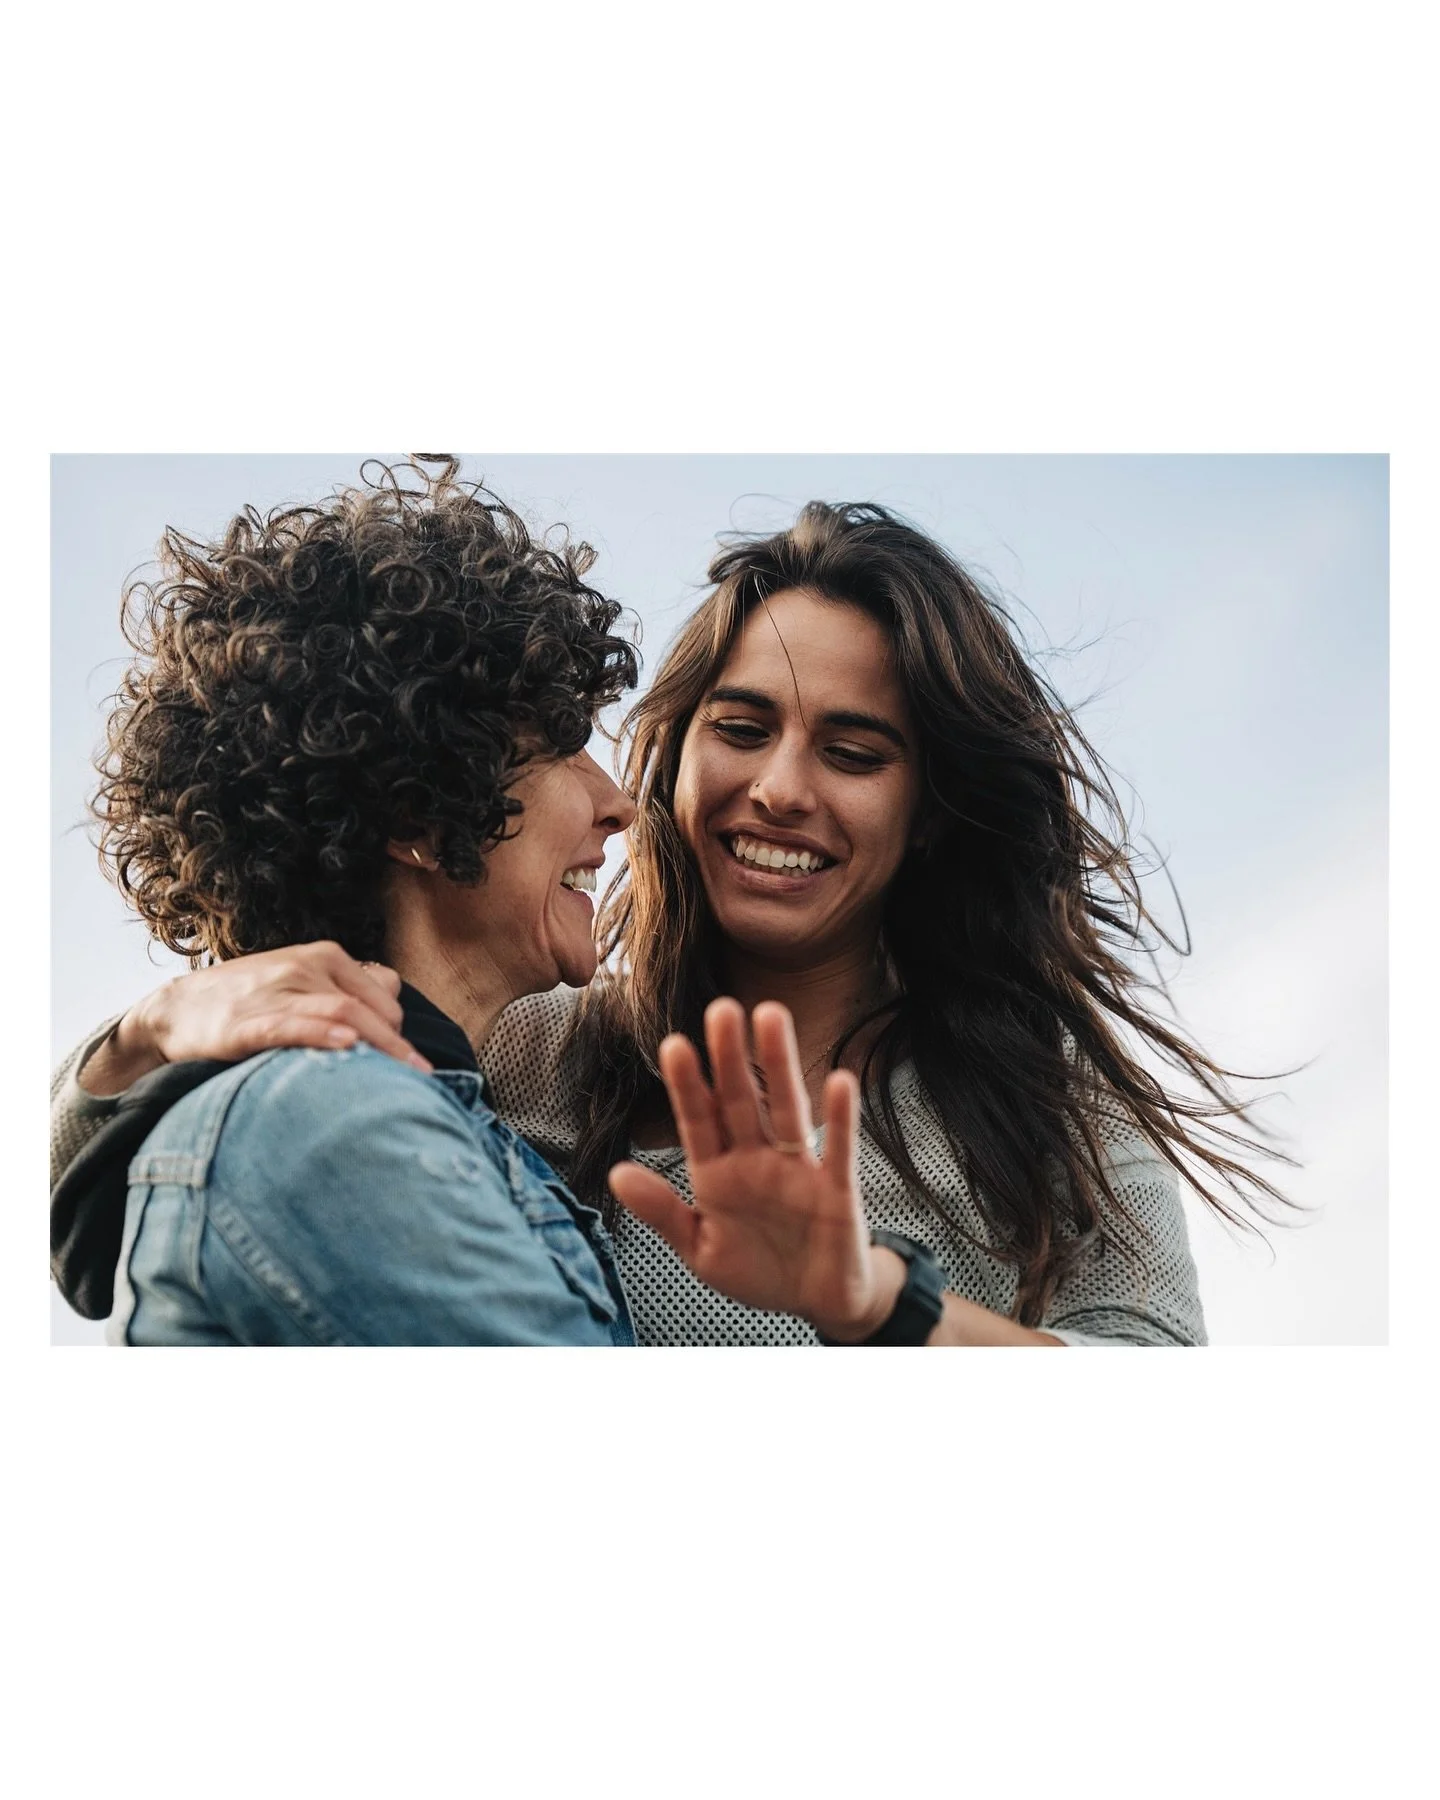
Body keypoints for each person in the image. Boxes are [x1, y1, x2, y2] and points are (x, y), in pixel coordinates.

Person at [53, 489, 1287, 1345]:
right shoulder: (531, 1041)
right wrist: (151, 1027)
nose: (783, 788)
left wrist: (870, 1303)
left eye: (855, 751)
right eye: (741, 730)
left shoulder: (1040, 1096)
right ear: (678, 750)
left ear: (929, 811)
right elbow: (135, 1208)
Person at [52, 458, 919, 1347]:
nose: (619, 800)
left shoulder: (426, 1108)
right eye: (567, 748)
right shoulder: (338, 1125)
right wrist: (144, 1033)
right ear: (419, 810)